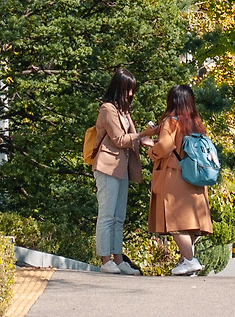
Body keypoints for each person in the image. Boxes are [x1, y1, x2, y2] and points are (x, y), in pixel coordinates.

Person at [147, 83, 213, 276]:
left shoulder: (171, 122)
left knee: (175, 221)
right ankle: (186, 260)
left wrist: (150, 148)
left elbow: (164, 147)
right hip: (195, 178)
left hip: (176, 177)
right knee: (189, 223)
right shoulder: (196, 123)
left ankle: (190, 260)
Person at [90, 68, 145, 274]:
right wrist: (142, 134)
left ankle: (119, 259)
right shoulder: (107, 109)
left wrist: (147, 138)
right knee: (107, 214)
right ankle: (106, 260)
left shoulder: (123, 111)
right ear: (119, 88)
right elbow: (119, 139)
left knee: (119, 216)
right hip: (107, 166)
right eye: (128, 89)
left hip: (122, 168)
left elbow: (132, 138)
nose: (131, 94)